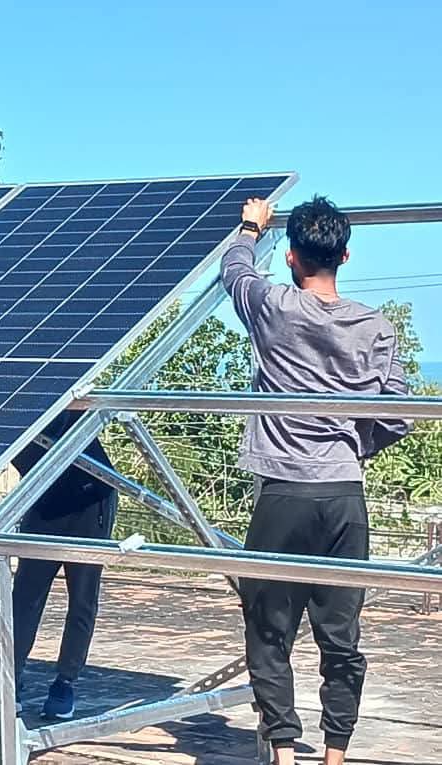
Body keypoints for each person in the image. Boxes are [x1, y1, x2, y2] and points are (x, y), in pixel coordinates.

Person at [222, 197, 410, 765]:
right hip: (344, 497)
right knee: (340, 635)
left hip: (283, 493)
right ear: (346, 255)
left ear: (293, 258)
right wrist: (353, 448)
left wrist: (252, 226)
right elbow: (399, 410)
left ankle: (283, 751)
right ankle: (335, 755)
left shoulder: (275, 306)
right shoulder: (376, 327)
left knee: (268, 629)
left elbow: (233, 269)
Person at [0, 410, 118, 720]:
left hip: (90, 496)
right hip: (44, 498)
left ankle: (65, 684)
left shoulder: (53, 388)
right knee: (25, 594)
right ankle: (6, 681)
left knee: (82, 597)